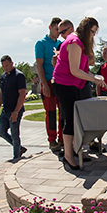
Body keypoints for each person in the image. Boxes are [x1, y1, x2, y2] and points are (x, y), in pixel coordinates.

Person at [53, 17, 105, 171]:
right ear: (86, 29)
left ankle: (76, 150)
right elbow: (74, 71)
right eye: (93, 32)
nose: (93, 36)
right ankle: (68, 156)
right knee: (70, 118)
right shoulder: (74, 43)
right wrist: (93, 78)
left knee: (76, 118)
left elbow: (82, 69)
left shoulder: (79, 43)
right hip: (63, 84)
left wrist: (94, 76)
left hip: (72, 84)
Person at [35, 17, 64, 153]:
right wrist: (44, 85)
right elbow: (39, 65)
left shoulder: (61, 43)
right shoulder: (40, 44)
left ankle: (62, 138)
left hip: (61, 81)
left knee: (63, 111)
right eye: (57, 29)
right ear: (50, 27)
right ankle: (52, 140)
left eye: (61, 30)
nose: (59, 32)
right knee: (51, 112)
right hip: (48, 81)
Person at [0, 55, 27, 162]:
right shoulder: (3, 77)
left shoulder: (19, 76)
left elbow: (22, 95)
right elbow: (0, 94)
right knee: (1, 132)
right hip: (5, 110)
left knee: (14, 133)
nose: (5, 68)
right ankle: (19, 148)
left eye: (7, 65)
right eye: (3, 66)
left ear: (12, 63)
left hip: (15, 110)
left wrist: (16, 112)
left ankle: (16, 156)